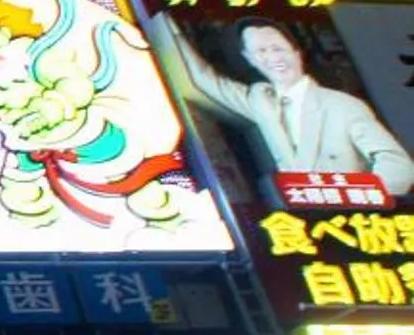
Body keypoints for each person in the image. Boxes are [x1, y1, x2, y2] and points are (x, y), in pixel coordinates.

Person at [164, 17, 414, 200]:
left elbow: (398, 164)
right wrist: (163, 21)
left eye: (278, 49)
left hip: (358, 221)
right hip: (300, 219)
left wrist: (364, 197)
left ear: (297, 52)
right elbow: (202, 81)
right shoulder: (260, 100)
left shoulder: (342, 106)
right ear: (249, 59)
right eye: (261, 51)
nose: (273, 58)